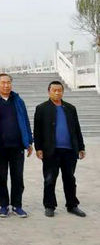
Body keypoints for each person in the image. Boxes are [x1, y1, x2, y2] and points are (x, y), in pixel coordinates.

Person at [34, 80, 86, 218]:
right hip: (51, 151)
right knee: (50, 179)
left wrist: (81, 147)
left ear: (62, 91)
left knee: (70, 179)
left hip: (69, 151)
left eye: (59, 90)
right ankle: (49, 206)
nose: (57, 93)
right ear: (49, 92)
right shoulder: (42, 108)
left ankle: (72, 205)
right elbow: (37, 131)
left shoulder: (70, 108)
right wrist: (38, 148)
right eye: (54, 90)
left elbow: (77, 129)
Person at [0, 73, 33, 218]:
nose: (6, 85)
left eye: (8, 82)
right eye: (3, 83)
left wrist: (29, 141)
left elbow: (25, 120)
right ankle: (4, 205)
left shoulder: (18, 101)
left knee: (18, 177)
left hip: (17, 146)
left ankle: (17, 206)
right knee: (1, 178)